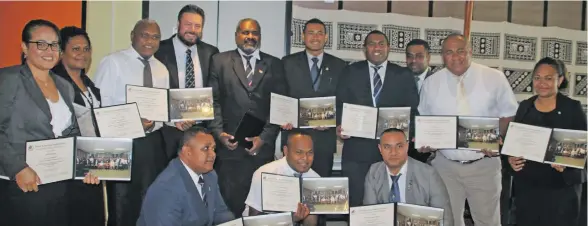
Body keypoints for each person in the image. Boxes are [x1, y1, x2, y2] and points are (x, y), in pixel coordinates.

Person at [0, 19, 99, 226]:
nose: (49, 50)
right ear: (25, 47)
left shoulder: (64, 86)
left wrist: (87, 165)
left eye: (54, 45)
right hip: (22, 182)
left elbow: (70, 132)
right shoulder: (9, 79)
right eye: (41, 44)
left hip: (58, 182)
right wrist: (18, 167)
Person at [418, 33, 518, 226]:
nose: (456, 57)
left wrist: (497, 137)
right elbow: (425, 119)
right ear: (442, 56)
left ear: (470, 52)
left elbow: (509, 114)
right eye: (449, 52)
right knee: (448, 221)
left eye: (461, 51)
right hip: (445, 167)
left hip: (484, 165)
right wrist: (424, 142)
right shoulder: (431, 83)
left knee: (487, 221)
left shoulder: (494, 78)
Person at [93, 19, 170, 226]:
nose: (150, 41)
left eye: (155, 37)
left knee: (150, 200)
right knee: (122, 204)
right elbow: (100, 108)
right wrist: (131, 123)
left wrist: (172, 120)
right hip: (121, 142)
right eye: (145, 35)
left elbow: (162, 110)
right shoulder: (113, 62)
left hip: (152, 142)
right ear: (132, 35)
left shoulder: (162, 69)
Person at [208, 18, 286, 217]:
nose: (250, 37)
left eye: (254, 33)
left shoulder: (274, 64)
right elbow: (213, 101)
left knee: (261, 208)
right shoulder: (219, 61)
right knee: (230, 206)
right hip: (230, 149)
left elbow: (279, 105)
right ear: (236, 35)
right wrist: (218, 133)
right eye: (245, 32)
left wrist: (265, 138)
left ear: (259, 37)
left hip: (261, 151)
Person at [336, 30, 419, 207]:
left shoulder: (403, 75)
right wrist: (339, 126)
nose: (377, 47)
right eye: (372, 44)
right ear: (364, 48)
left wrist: (412, 134)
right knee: (357, 202)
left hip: (392, 153)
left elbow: (412, 110)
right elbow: (339, 104)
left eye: (381, 43)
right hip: (357, 150)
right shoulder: (349, 71)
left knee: (389, 201)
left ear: (388, 48)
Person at [507, 57, 587, 226]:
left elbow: (583, 148)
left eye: (548, 78)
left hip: (561, 189)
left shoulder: (572, 108)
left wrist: (568, 163)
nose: (541, 83)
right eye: (537, 78)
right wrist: (510, 159)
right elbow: (514, 142)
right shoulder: (525, 107)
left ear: (560, 79)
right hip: (528, 188)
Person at [50, 25, 104, 226]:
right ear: (61, 52)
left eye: (86, 49)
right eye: (76, 49)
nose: (83, 54)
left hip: (93, 164)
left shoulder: (90, 86)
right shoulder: (54, 85)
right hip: (68, 167)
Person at [280, 18, 347, 178]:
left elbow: (343, 101)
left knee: (319, 188)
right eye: (311, 33)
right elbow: (281, 96)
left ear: (326, 38)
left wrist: (334, 121)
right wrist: (283, 117)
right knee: (291, 188)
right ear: (303, 36)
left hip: (324, 141)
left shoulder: (340, 66)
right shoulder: (287, 63)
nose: (315, 37)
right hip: (294, 137)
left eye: (320, 33)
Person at [155, 4, 220, 160]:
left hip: (200, 131)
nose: (192, 30)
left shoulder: (211, 53)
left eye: (197, 26)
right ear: (178, 25)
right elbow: (154, 91)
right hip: (169, 132)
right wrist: (174, 118)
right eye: (188, 24)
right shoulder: (159, 50)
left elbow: (215, 92)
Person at [138, 127, 234, 226]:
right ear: (187, 151)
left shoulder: (209, 175)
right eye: (206, 148)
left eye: (213, 149)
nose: (213, 154)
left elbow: (220, 212)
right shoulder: (166, 188)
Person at [363, 128, 453, 226]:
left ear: (407, 146)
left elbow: (445, 219)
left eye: (399, 146)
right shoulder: (374, 172)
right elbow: (370, 213)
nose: (393, 152)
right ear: (380, 149)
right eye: (387, 147)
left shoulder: (428, 174)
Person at [244, 130, 319, 225]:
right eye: (299, 152)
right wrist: (290, 218)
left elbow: (311, 220)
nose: (305, 158)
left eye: (310, 153)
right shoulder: (264, 173)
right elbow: (254, 220)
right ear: (286, 151)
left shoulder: (314, 179)